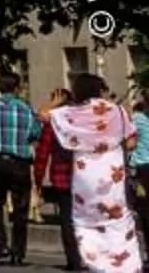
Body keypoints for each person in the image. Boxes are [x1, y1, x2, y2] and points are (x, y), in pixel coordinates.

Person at [46, 74, 140, 273]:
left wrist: (56, 102)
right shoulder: (117, 111)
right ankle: (124, 265)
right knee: (118, 220)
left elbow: (43, 115)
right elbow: (132, 141)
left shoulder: (72, 113)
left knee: (87, 222)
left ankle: (96, 263)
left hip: (85, 178)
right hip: (111, 175)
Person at [0, 72, 42, 267]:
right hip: (20, 162)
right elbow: (36, 133)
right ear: (17, 88)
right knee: (20, 208)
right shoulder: (27, 110)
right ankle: (18, 252)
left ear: (0, 87)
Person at [35, 89, 83, 273]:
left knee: (67, 219)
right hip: (85, 177)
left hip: (62, 177)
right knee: (84, 219)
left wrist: (38, 180)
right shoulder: (83, 120)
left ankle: (73, 260)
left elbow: (43, 153)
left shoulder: (54, 122)